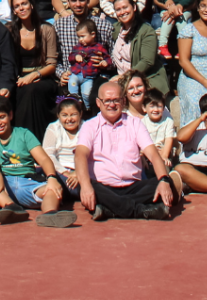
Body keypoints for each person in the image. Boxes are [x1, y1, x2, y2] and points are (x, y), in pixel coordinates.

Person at [73, 80, 174, 220]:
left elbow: (153, 154)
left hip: (133, 186)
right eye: (107, 100)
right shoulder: (89, 126)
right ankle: (141, 210)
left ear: (124, 101)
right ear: (98, 103)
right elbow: (80, 156)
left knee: (167, 183)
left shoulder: (135, 123)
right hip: (104, 187)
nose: (112, 104)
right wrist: (85, 186)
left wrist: (163, 180)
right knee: (85, 185)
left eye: (116, 100)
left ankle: (111, 210)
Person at [0, 95, 76, 227]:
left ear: (10, 115)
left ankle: (50, 214)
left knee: (52, 189)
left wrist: (52, 178)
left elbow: (43, 158)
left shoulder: (24, 134)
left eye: (2, 117)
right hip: (4, 185)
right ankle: (11, 208)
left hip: (29, 182)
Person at [9, 0, 58, 132]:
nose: (21, 8)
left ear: (31, 5)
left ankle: (34, 137)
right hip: (19, 78)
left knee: (31, 90)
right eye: (17, 6)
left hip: (42, 77)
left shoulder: (46, 29)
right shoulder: (10, 31)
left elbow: (51, 64)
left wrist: (33, 76)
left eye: (24, 4)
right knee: (20, 91)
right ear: (14, 11)